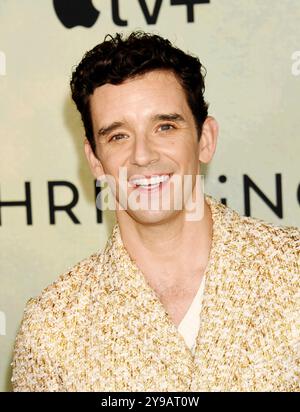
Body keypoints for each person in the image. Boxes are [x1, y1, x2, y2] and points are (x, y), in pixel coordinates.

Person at [11, 31, 299, 392]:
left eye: (165, 127)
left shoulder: (293, 271)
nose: (143, 155)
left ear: (205, 140)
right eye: (118, 136)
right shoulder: (52, 328)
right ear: (95, 160)